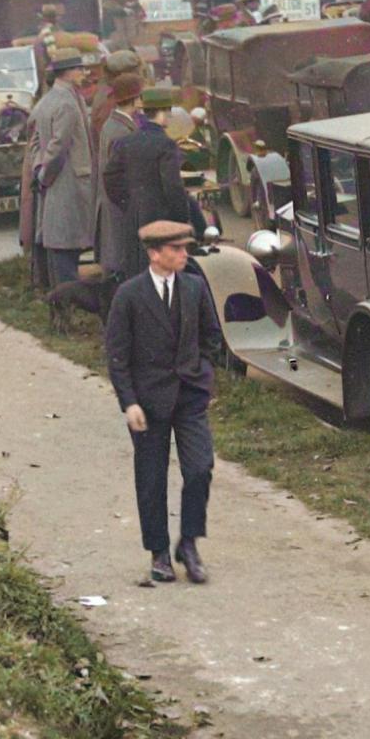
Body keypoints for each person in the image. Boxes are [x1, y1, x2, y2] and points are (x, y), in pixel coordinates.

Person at [104, 220, 221, 586]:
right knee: (152, 478)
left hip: (189, 397)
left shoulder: (195, 287)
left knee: (200, 468)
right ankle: (158, 553)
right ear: (155, 254)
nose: (184, 255)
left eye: (185, 248)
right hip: (147, 404)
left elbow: (211, 337)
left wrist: (200, 374)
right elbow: (117, 355)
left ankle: (188, 543)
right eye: (176, 250)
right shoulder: (129, 295)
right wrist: (129, 403)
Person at [28, 53, 102, 315]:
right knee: (65, 246)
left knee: (63, 244)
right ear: (66, 72)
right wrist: (45, 174)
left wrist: (39, 168)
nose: (84, 73)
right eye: (80, 68)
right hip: (67, 182)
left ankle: (64, 308)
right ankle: (67, 309)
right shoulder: (67, 103)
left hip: (60, 180)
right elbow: (59, 146)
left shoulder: (49, 100)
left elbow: (37, 141)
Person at [103, 90, 197, 281]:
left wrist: (126, 203)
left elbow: (110, 176)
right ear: (162, 112)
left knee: (136, 271)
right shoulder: (166, 144)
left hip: (133, 216)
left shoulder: (126, 141)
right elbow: (172, 186)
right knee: (161, 272)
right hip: (160, 219)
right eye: (168, 113)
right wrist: (181, 218)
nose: (169, 118)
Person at [92, 67, 146, 293]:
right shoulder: (121, 131)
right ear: (133, 99)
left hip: (113, 205)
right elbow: (120, 175)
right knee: (121, 265)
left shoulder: (114, 124)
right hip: (120, 209)